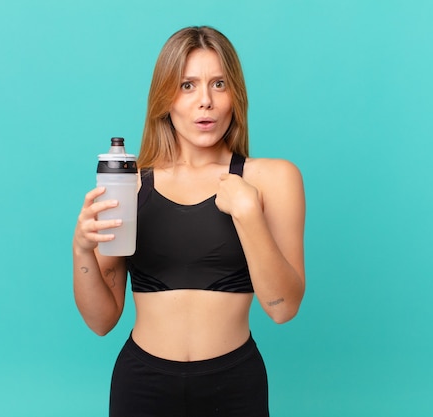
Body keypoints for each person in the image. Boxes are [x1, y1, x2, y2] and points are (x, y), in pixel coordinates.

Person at [72, 26, 305, 417]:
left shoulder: (272, 179)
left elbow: (282, 308)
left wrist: (249, 216)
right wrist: (81, 249)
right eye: (187, 86)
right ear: (165, 98)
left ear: (236, 95)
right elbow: (101, 321)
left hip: (234, 385)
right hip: (141, 384)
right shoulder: (130, 185)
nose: (205, 102)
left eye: (219, 84)